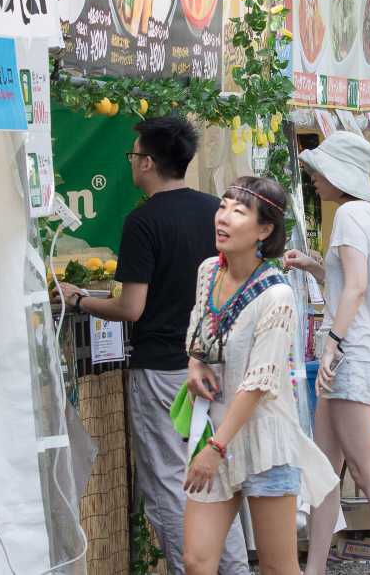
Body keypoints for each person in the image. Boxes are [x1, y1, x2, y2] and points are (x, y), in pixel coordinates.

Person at [58, 117, 249, 575]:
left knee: (167, 481)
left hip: (164, 371)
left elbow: (132, 308)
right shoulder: (216, 212)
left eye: (133, 155)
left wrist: (80, 298)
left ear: (146, 162)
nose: (133, 163)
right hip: (217, 366)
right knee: (216, 473)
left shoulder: (142, 221)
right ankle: (236, 569)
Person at [183, 177, 338, 575]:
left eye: (239, 211)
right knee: (197, 561)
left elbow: (259, 382)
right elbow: (199, 338)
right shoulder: (207, 272)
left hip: (264, 439)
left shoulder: (277, 294)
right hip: (215, 430)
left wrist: (214, 450)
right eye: (223, 206)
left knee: (277, 568)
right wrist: (195, 364)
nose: (224, 217)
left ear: (264, 229)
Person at [284, 132, 370, 575]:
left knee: (367, 473)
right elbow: (354, 280)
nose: (315, 180)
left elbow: (356, 287)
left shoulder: (347, 218)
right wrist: (314, 266)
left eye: (319, 171)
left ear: (339, 174)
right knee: (326, 472)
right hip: (359, 351)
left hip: (350, 354)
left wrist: (334, 342)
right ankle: (314, 568)